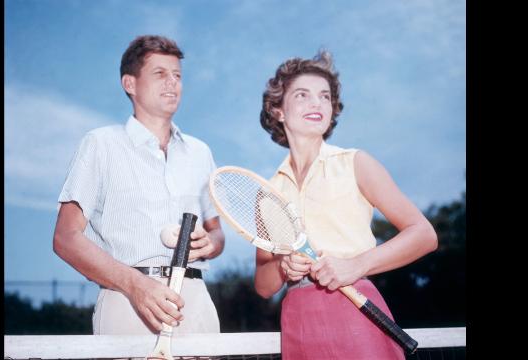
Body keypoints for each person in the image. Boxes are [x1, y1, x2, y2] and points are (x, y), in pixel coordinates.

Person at [254, 50, 438, 359]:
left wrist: (356, 265)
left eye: (325, 97)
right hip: (298, 319)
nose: (317, 103)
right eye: (303, 95)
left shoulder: (356, 163)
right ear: (278, 111)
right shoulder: (267, 192)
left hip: (356, 308)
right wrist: (284, 267)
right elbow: (263, 285)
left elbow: (424, 234)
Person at [53, 35, 224, 342]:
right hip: (126, 303)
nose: (172, 83)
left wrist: (211, 243)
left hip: (196, 304)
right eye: (160, 74)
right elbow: (66, 238)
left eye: (177, 75)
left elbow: (217, 233)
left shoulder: (201, 152)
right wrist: (135, 286)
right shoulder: (100, 144)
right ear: (129, 84)